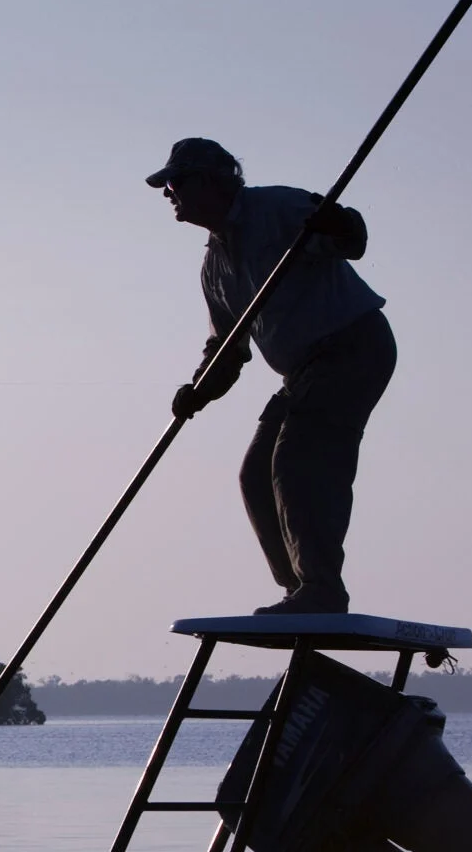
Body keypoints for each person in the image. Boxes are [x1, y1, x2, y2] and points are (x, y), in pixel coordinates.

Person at [151, 137, 397, 618]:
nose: (168, 193)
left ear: (212, 181)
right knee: (257, 476)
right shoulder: (214, 266)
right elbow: (227, 351)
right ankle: (299, 591)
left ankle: (321, 591)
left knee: (301, 459)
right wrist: (197, 392)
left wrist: (340, 223)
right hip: (301, 370)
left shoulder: (278, 206)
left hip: (351, 347)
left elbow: (352, 239)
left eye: (176, 182)